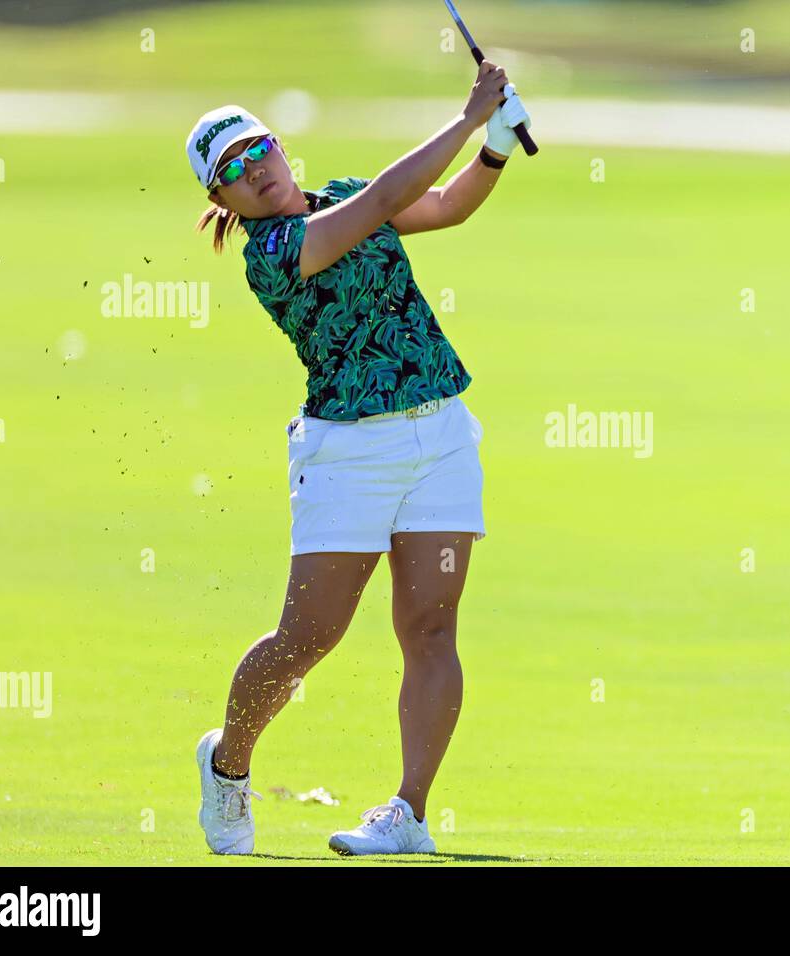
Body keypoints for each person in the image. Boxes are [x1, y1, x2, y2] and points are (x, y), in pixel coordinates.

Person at [182, 60, 530, 856]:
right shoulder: (271, 253)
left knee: (433, 629)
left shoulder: (338, 192)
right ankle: (228, 766)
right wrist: (472, 114)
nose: (254, 172)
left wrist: (496, 150)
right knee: (307, 638)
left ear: (278, 146)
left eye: (256, 150)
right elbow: (381, 202)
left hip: (439, 433)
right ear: (222, 201)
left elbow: (440, 208)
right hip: (348, 453)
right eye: (230, 172)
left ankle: (408, 813)